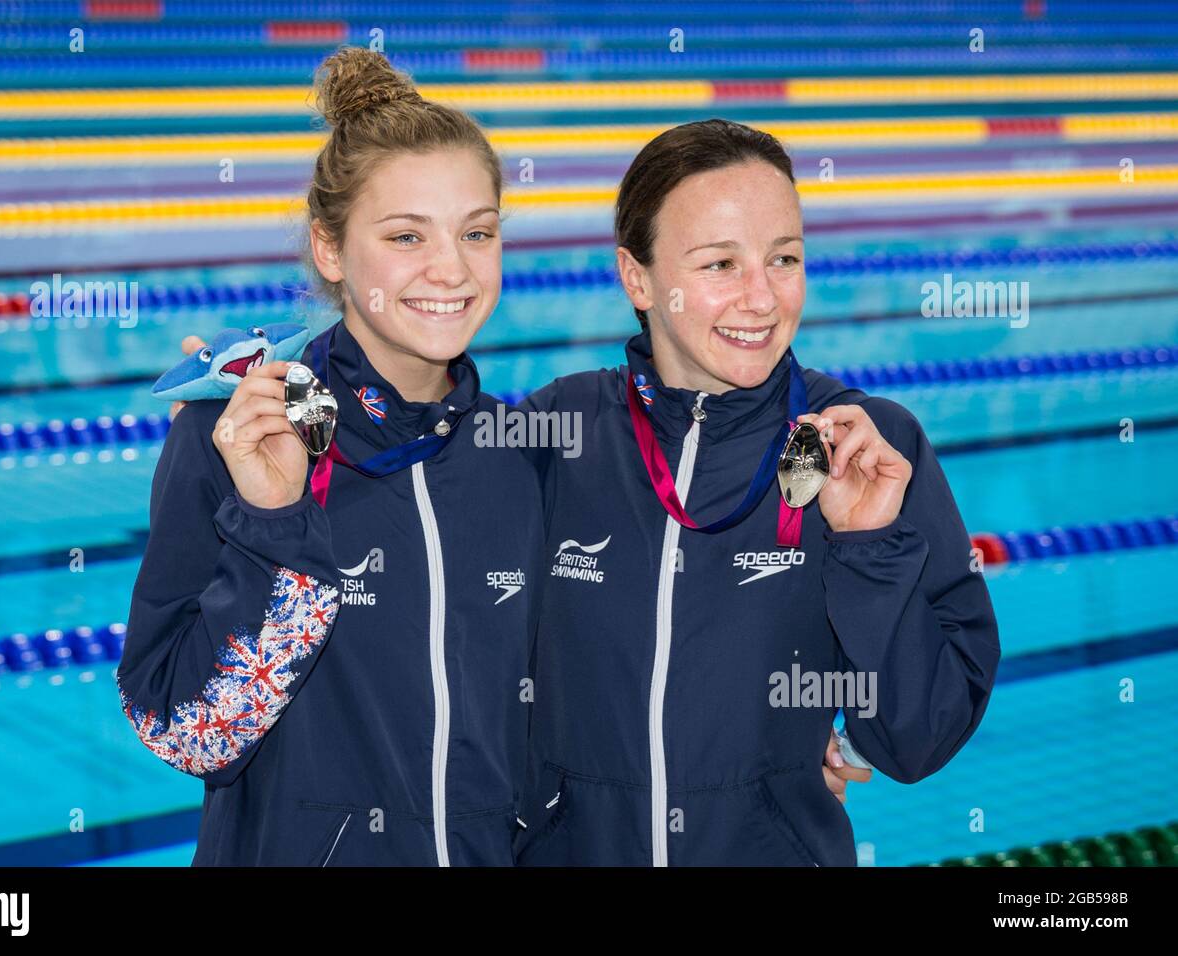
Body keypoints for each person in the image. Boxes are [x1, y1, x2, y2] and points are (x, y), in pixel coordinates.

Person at [511, 120, 1001, 866]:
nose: (762, 298)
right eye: (719, 264)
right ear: (637, 278)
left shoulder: (867, 447)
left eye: (784, 258)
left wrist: (870, 546)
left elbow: (919, 738)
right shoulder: (559, 433)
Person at [116, 47, 544, 866]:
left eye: (477, 232)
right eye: (406, 235)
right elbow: (186, 733)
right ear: (331, 248)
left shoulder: (518, 453)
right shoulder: (235, 437)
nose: (451, 269)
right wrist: (276, 528)